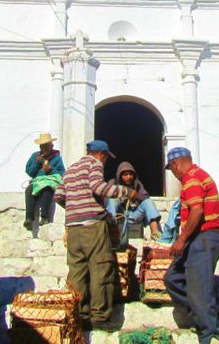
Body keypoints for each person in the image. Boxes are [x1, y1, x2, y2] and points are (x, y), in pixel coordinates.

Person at [54, 140, 136, 330]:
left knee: (77, 272)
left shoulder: (71, 169)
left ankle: (80, 315)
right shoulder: (94, 164)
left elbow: (58, 195)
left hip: (73, 228)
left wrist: (74, 208)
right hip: (93, 226)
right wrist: (125, 191)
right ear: (102, 154)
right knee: (102, 268)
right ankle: (99, 317)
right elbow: (99, 187)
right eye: (106, 158)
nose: (105, 162)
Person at [163, 147, 219, 344]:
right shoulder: (197, 176)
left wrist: (181, 239)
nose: (173, 174)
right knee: (172, 277)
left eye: (172, 170)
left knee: (200, 289)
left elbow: (197, 210)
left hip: (203, 237)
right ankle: (204, 311)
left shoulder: (191, 179)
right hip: (197, 238)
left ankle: (209, 333)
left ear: (175, 164)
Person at [106, 161, 162, 239]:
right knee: (112, 201)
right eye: (125, 174)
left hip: (133, 215)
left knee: (148, 202)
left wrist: (137, 196)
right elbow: (105, 199)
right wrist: (119, 198)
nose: (129, 177)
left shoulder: (137, 184)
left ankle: (155, 232)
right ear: (120, 175)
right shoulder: (113, 183)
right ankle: (112, 230)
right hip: (119, 217)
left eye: (131, 174)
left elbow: (146, 197)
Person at [24, 133, 65, 230]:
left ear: (51, 146)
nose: (45, 148)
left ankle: (44, 217)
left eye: (47, 146)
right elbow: (30, 172)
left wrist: (50, 169)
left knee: (47, 190)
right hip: (37, 182)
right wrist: (37, 163)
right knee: (29, 190)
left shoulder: (57, 158)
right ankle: (29, 218)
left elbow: (62, 174)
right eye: (43, 146)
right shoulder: (35, 156)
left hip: (50, 183)